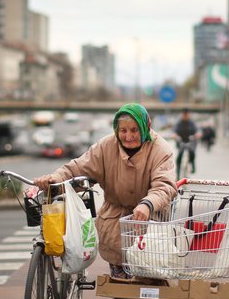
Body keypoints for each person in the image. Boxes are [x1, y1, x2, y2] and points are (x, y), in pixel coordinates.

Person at [34, 103, 177, 279]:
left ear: (145, 127)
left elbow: (164, 185)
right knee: (121, 290)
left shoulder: (160, 149)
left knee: (150, 285)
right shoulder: (106, 146)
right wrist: (56, 178)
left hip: (150, 227)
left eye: (134, 130)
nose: (128, 136)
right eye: (123, 130)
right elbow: (78, 167)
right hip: (115, 225)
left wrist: (148, 204)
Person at [173, 108, 199, 177]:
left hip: (190, 141)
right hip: (181, 142)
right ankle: (178, 174)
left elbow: (197, 131)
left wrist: (197, 135)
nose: (185, 116)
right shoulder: (179, 123)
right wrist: (175, 136)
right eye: (184, 114)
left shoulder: (192, 123)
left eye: (187, 114)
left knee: (192, 152)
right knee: (179, 156)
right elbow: (174, 131)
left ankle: (192, 164)